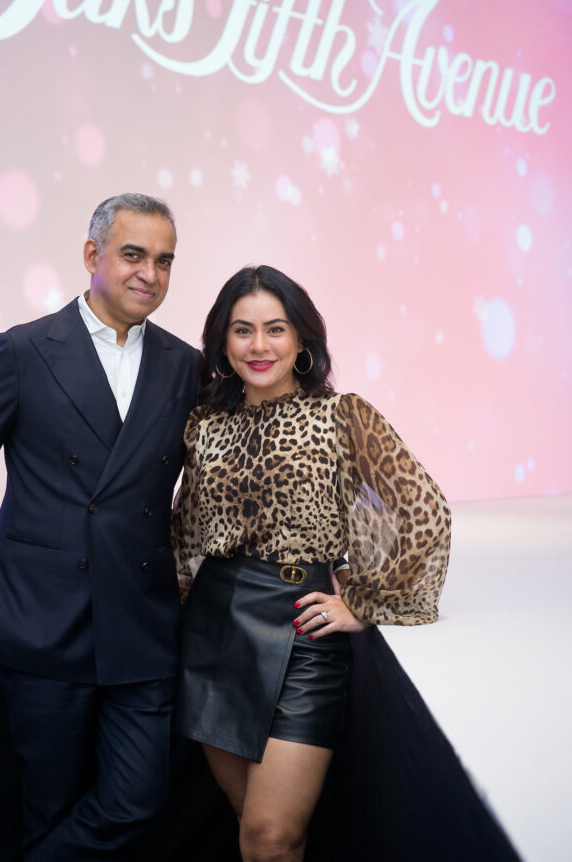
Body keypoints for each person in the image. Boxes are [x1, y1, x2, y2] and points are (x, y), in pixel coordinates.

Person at [0, 193, 198, 860]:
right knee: (48, 804)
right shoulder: (21, 351)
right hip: (41, 618)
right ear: (92, 255)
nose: (150, 274)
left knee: (139, 797)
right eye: (133, 255)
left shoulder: (187, 365)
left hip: (139, 622)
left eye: (164, 261)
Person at [171, 265, 451, 862]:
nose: (259, 345)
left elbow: (424, 511)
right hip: (212, 635)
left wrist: (365, 601)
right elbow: (186, 530)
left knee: (272, 836)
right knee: (253, 831)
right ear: (222, 342)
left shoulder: (343, 415)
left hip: (300, 632)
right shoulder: (204, 425)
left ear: (302, 339)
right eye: (242, 331)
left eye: (276, 328)